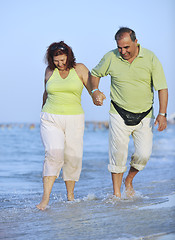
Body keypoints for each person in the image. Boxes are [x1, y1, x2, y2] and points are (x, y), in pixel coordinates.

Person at [90, 27, 168, 198]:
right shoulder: (111, 57)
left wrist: (163, 114)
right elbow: (94, 74)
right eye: (119, 47)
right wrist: (95, 90)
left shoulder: (150, 58)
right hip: (118, 112)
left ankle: (129, 180)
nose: (122, 51)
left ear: (135, 42)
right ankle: (117, 195)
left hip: (145, 115)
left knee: (143, 155)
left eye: (126, 47)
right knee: (117, 155)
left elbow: (162, 87)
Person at [36, 41, 93, 210]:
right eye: (56, 61)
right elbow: (45, 93)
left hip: (75, 117)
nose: (60, 64)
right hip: (50, 117)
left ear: (69, 56)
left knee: (73, 157)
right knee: (54, 154)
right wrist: (42, 113)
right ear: (51, 59)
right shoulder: (48, 71)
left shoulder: (80, 69)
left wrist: (97, 95)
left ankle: (70, 196)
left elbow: (92, 89)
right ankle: (45, 199)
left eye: (63, 60)